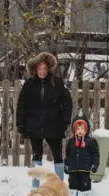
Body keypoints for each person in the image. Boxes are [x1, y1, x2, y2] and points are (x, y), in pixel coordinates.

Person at [16, 52, 73, 188]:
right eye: (39, 69)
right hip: (34, 125)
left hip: (54, 125)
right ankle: (36, 185)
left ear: (48, 69)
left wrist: (65, 121)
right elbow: (21, 105)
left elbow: (67, 102)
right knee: (36, 154)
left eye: (44, 69)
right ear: (36, 69)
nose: (42, 72)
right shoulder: (29, 84)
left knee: (58, 155)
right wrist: (21, 124)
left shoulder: (57, 83)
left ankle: (59, 186)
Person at [64, 111, 99, 196]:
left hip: (85, 168)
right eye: (77, 128)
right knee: (72, 182)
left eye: (82, 128)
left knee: (85, 183)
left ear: (86, 129)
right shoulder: (71, 142)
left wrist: (95, 165)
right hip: (73, 168)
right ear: (74, 130)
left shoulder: (91, 142)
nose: (80, 130)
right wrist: (66, 165)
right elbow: (67, 154)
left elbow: (95, 154)